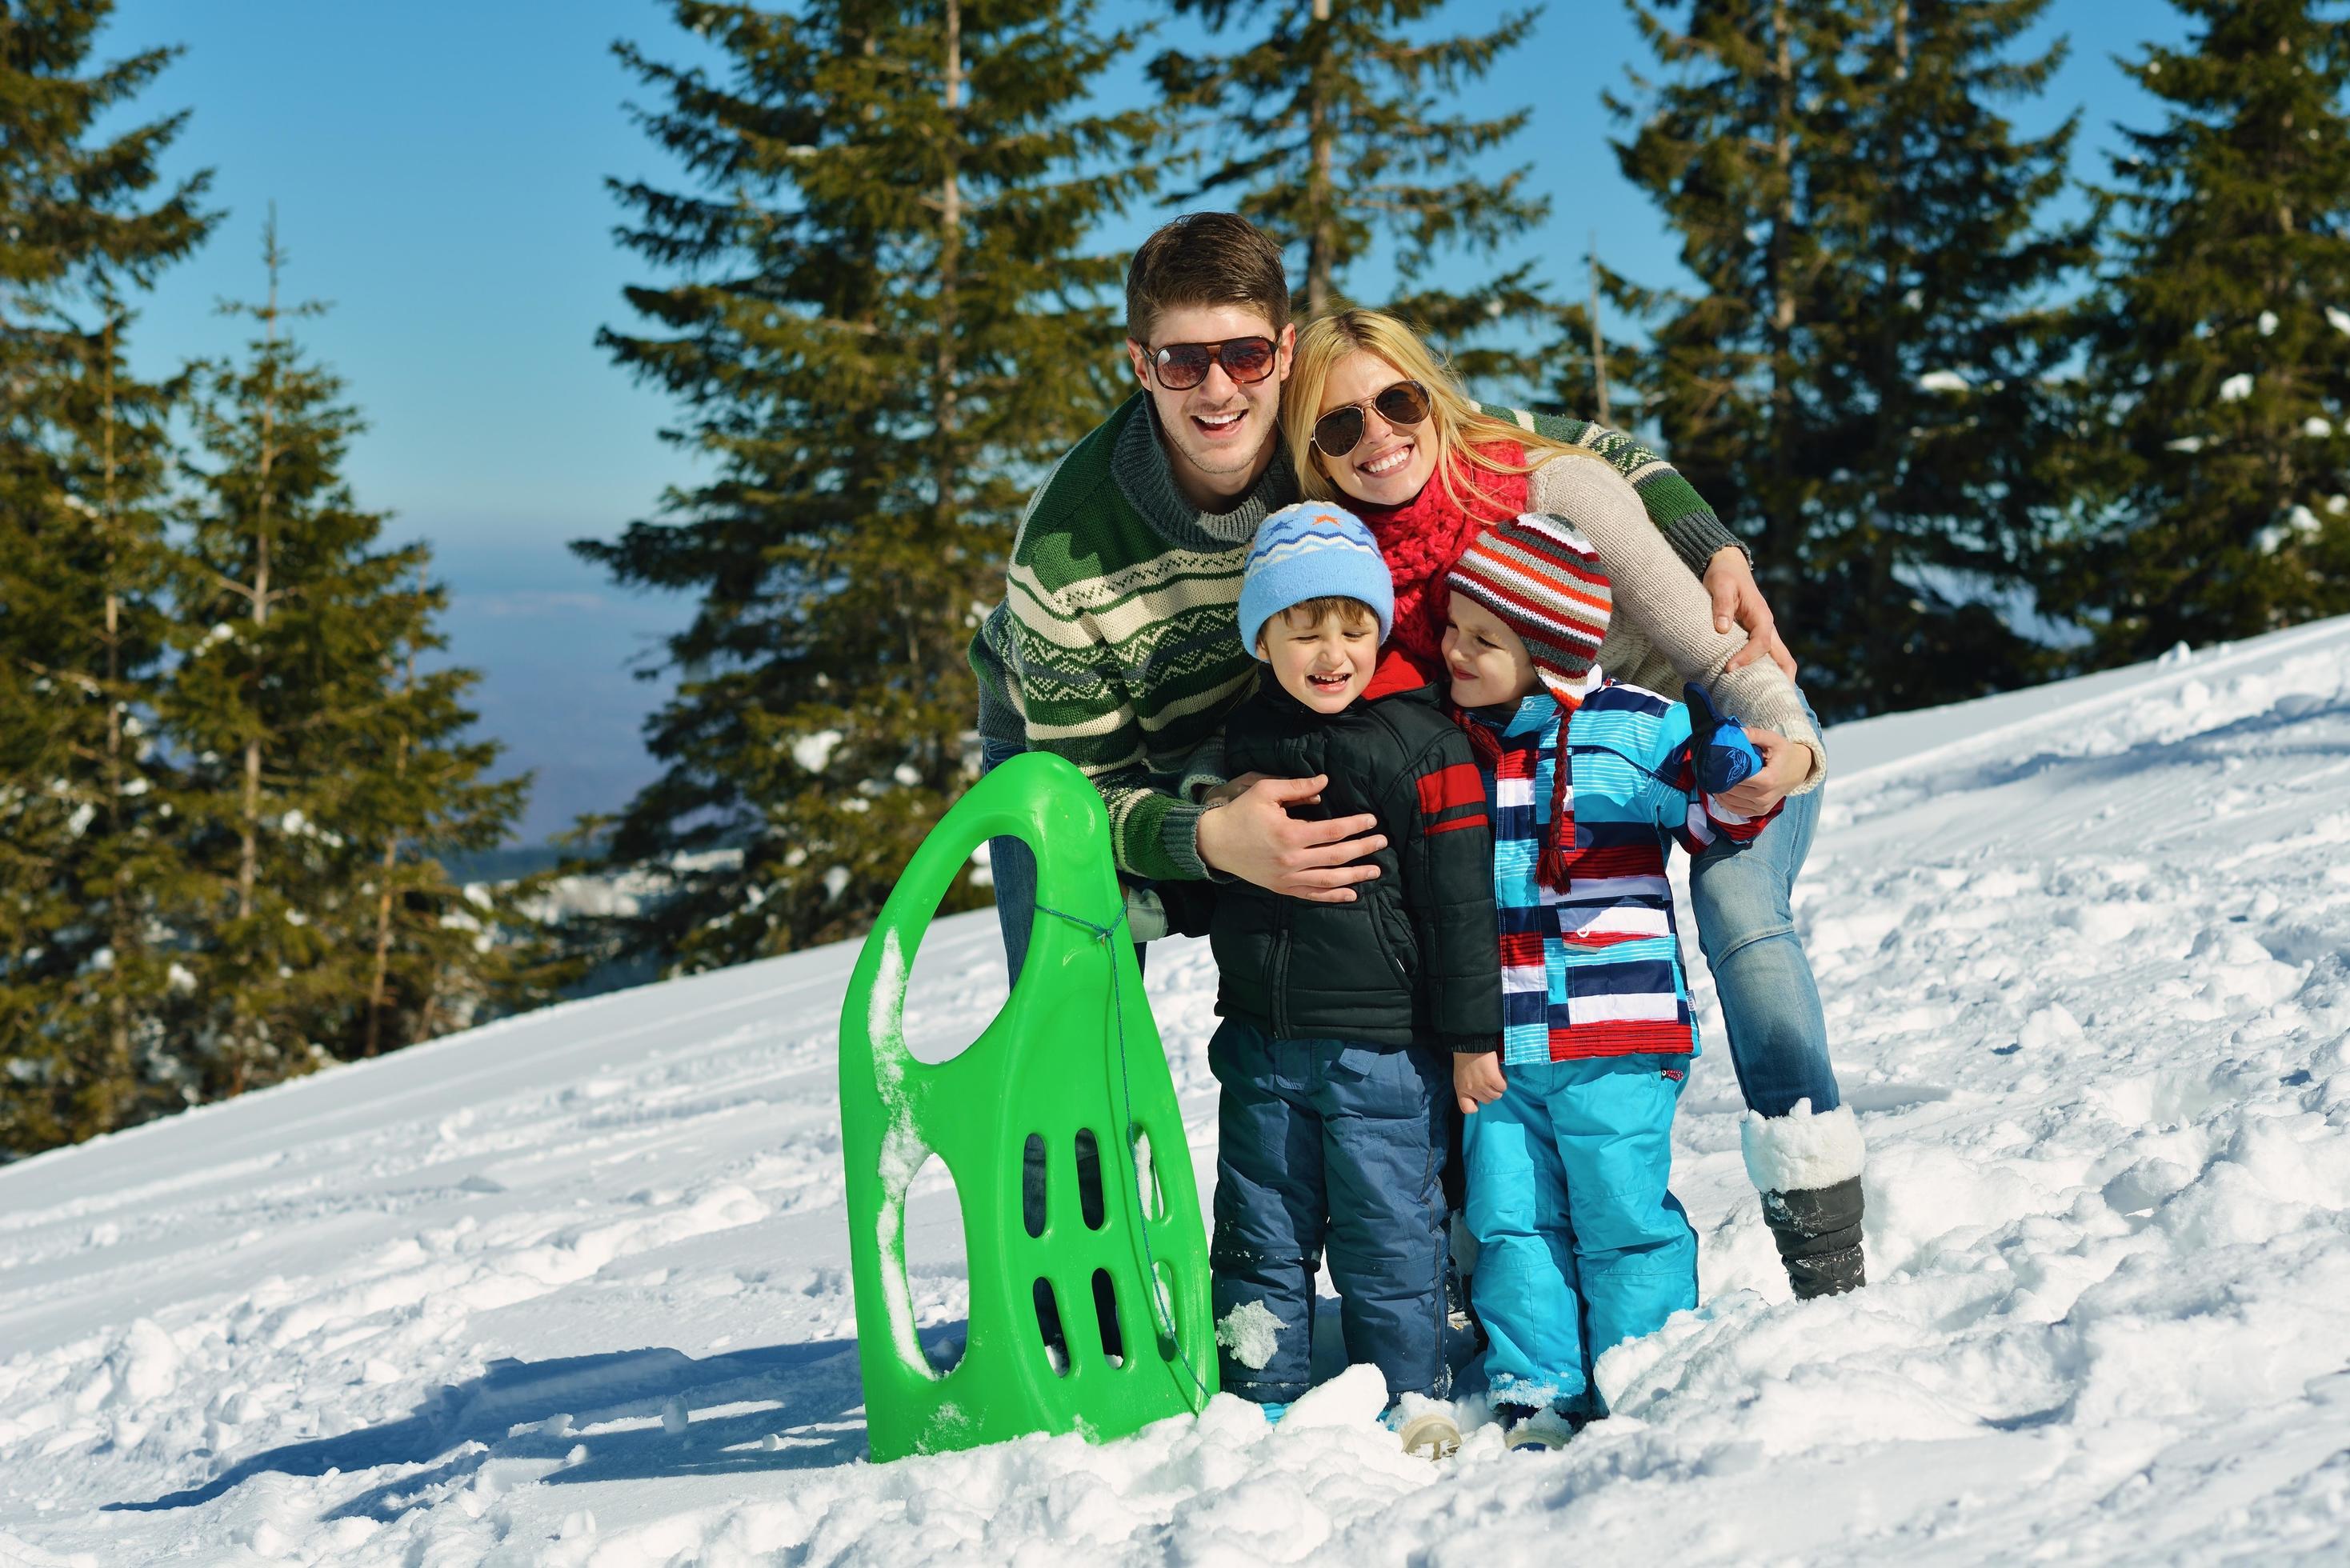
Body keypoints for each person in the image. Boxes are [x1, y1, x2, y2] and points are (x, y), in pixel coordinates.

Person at [1283, 308, 1866, 1300]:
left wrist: (1791, 751)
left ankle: (1824, 1248)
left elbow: (1719, 655)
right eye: (1339, 426)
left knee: (1736, 908)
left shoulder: (1552, 490)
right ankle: (1504, 1270)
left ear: (1435, 397)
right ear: (1311, 451)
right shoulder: (1343, 564)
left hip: (1719, 723)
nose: (1376, 436)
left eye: (1397, 402)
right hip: (1549, 771)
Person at [1439, 514, 1777, 1446]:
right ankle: (1537, 1387)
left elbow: (1719, 816)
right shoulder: (1454, 746)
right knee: (1513, 1223)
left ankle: (1646, 1372)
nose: (1455, 650)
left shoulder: (1631, 727)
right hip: (1501, 1049)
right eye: (1452, 628)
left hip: (1616, 1037)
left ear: (1545, 649)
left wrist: (1732, 767)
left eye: (1482, 637)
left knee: (1622, 1214)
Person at [1198, 502, 1501, 1460]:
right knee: (1258, 1221)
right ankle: (1262, 1388)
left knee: (1388, 1228)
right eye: (1304, 628)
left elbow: (1461, 909)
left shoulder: (1424, 746)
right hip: (1260, 1035)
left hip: (1384, 1047)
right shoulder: (1241, 747)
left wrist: (1469, 1037)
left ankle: (1411, 1390)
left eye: (1354, 626)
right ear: (1264, 636)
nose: (1332, 652)